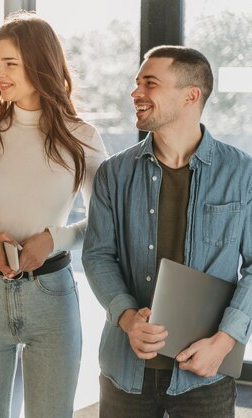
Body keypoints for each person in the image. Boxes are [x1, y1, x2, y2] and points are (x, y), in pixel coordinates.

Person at [0, 12, 106, 418]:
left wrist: (56, 238)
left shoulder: (82, 137)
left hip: (53, 296)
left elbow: (103, 221)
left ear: (40, 63)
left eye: (11, 63)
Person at [82, 45, 252, 418]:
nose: (136, 92)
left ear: (191, 95)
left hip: (205, 376)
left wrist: (224, 343)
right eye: (137, 82)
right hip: (125, 372)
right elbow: (97, 255)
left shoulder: (242, 172)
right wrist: (127, 318)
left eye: (150, 83)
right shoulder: (114, 173)